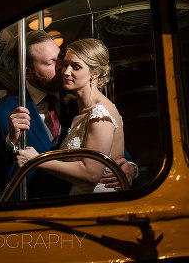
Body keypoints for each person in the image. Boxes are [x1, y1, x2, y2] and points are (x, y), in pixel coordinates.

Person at [0, 31, 135, 198]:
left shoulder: (79, 101)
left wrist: (131, 168)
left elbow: (110, 147)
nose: (62, 68)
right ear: (28, 72)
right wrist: (11, 142)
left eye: (60, 58)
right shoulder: (2, 111)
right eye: (49, 63)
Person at [15, 38, 125, 194]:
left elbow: (92, 174)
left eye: (76, 67)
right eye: (65, 64)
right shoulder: (80, 107)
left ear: (95, 73)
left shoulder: (100, 113)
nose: (65, 72)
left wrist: (37, 160)